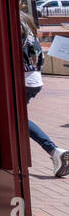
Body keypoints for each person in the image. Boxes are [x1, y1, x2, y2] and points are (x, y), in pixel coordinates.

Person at [21, 13, 69, 176]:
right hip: (34, 79)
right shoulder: (26, 24)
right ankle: (54, 151)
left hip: (24, 80)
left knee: (16, 119)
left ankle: (54, 150)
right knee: (16, 118)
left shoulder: (14, 23)